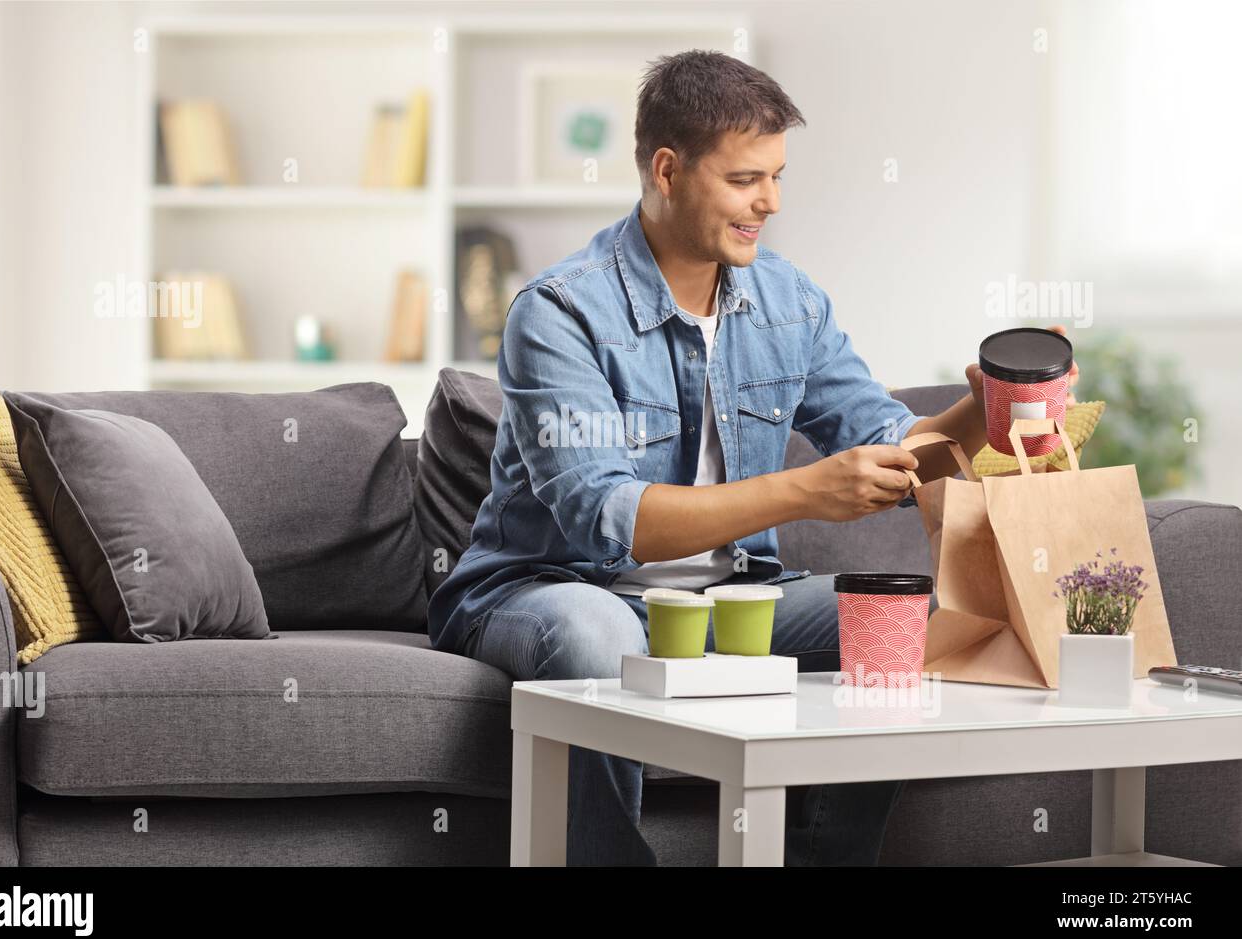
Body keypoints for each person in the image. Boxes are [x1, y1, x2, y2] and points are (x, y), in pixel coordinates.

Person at [428, 49, 1080, 866]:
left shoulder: (786, 300)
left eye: (775, 176)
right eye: (745, 180)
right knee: (593, 635)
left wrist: (988, 411)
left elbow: (892, 446)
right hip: (554, 586)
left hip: (731, 597)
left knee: (895, 630)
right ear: (667, 171)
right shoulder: (559, 313)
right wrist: (802, 491)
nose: (769, 202)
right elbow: (608, 519)